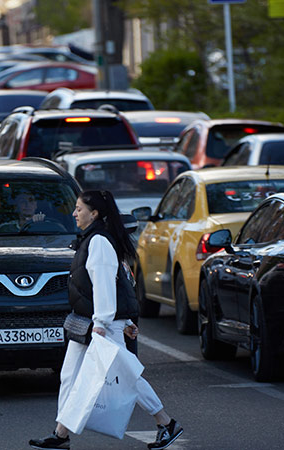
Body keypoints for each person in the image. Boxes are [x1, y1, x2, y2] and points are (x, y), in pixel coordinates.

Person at [29, 190, 183, 450]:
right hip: (85, 323)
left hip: (100, 325)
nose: (74, 213)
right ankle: (61, 434)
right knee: (70, 376)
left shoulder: (98, 241)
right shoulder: (90, 239)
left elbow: (104, 286)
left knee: (127, 376)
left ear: (95, 213)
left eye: (79, 209)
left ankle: (165, 423)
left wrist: (103, 324)